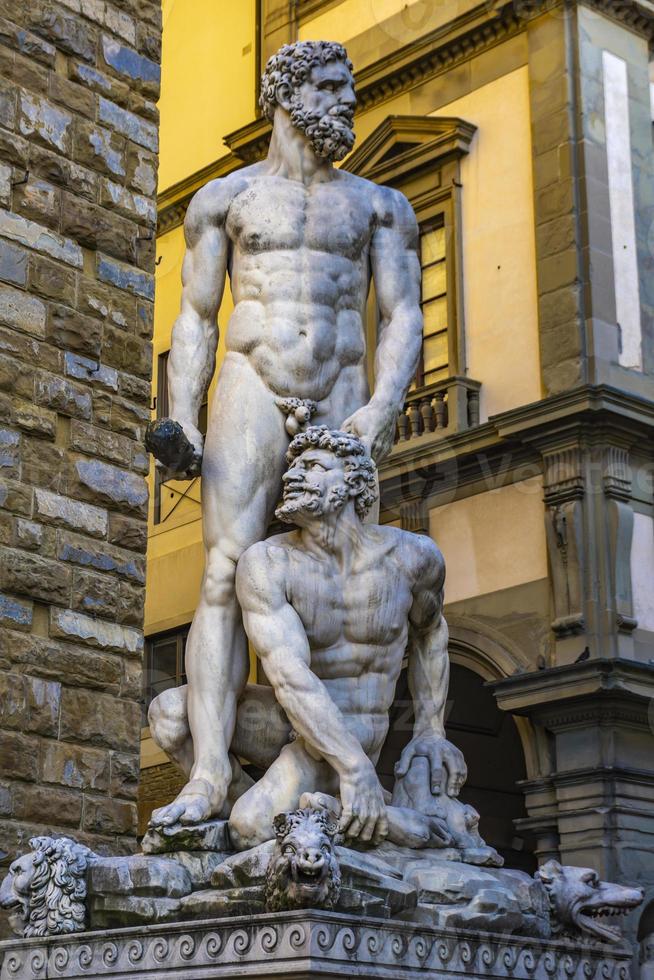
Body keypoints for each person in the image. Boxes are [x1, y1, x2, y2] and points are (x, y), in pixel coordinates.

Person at [148, 40, 423, 826]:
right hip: (251, 385)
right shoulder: (226, 200)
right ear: (288, 92)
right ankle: (205, 775)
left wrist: (382, 405)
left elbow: (403, 314)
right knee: (225, 572)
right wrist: (183, 414)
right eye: (332, 87)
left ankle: (339, 767)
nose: (346, 101)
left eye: (349, 88)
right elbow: (198, 317)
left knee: (343, 579)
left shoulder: (379, 205)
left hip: (340, 390)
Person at [226, 426, 466, 847]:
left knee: (251, 828)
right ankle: (364, 815)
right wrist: (356, 770)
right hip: (294, 721)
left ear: (354, 482)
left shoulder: (413, 557)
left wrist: (430, 730)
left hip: (355, 729)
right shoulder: (268, 562)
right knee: (171, 714)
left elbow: (431, 634)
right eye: (293, 467)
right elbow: (287, 674)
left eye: (314, 466)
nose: (294, 475)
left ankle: (323, 811)